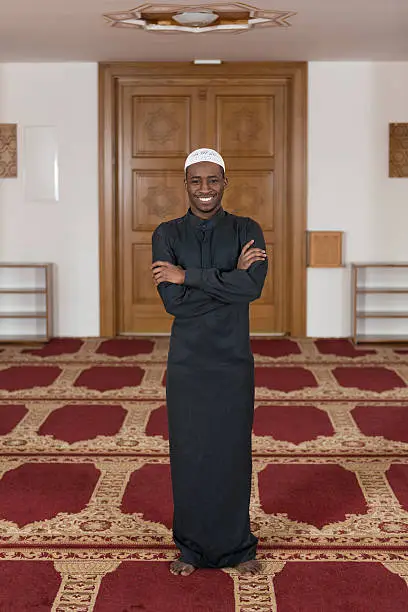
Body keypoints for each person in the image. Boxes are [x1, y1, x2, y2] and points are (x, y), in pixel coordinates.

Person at [151, 148, 268, 577]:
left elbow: (251, 289)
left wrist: (190, 276)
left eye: (213, 180)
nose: (205, 189)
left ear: (224, 182)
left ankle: (238, 547)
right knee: (190, 453)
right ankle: (190, 549)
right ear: (186, 184)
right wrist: (227, 279)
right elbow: (175, 306)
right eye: (196, 181)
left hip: (233, 359)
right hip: (187, 363)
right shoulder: (165, 233)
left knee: (233, 452)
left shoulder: (246, 228)